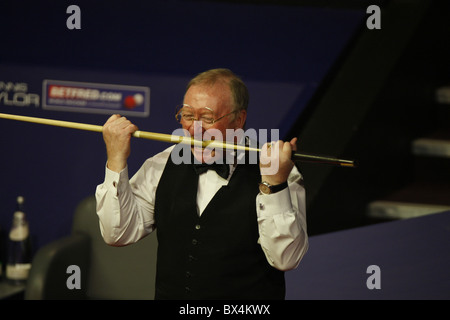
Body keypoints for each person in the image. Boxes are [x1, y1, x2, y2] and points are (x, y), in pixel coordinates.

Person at [95, 68, 308, 300]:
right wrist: (116, 159)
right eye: (187, 115)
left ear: (239, 119)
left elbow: (286, 258)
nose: (194, 128)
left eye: (207, 118)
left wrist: (274, 184)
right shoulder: (162, 163)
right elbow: (118, 233)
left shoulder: (279, 172)